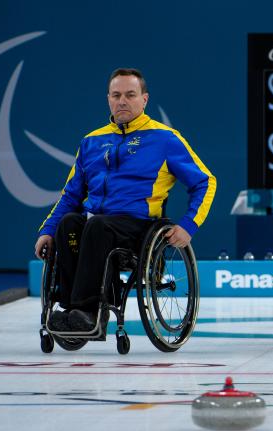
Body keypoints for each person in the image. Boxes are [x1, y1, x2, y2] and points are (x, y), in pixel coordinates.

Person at [34, 68, 217, 331]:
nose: (122, 101)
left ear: (144, 99)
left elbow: (205, 181)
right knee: (70, 224)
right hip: (97, 224)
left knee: (97, 226)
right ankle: (69, 308)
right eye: (116, 95)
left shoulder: (165, 139)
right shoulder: (91, 142)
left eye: (130, 95)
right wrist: (48, 230)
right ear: (108, 98)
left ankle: (89, 310)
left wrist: (189, 225)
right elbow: (71, 195)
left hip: (138, 226)